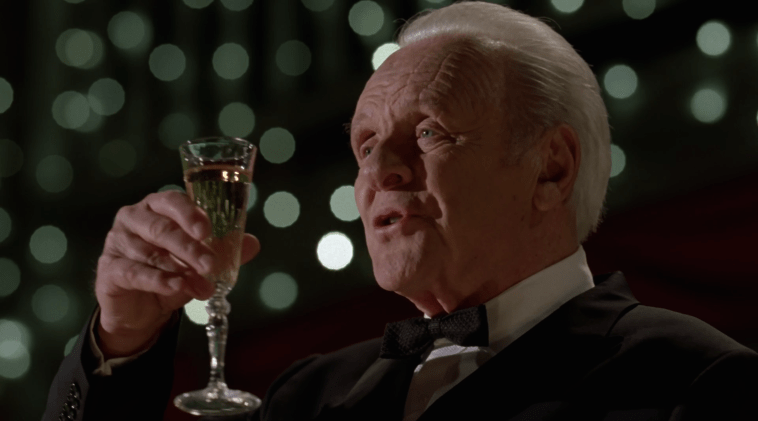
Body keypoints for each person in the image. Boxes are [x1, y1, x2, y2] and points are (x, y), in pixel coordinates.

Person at [44, 2, 758, 420]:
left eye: (430, 133)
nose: (380, 171)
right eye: (364, 145)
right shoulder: (307, 396)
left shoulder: (695, 381)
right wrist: (122, 342)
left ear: (551, 167)